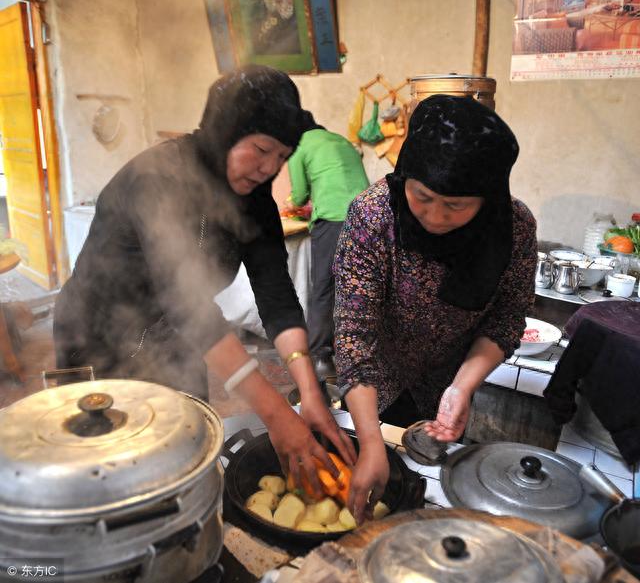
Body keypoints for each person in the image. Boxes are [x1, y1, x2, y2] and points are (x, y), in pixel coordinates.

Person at [54, 65, 356, 489]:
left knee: (184, 457)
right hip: (95, 338)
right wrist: (274, 413)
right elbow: (186, 303)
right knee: (103, 471)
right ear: (224, 133)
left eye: (282, 158)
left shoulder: (253, 201)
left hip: (173, 342)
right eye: (261, 149)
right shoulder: (157, 178)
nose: (269, 168)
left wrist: (308, 392)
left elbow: (277, 298)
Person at [333, 95, 537, 523]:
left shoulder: (512, 227)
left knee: (426, 493)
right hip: (373, 382)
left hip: (449, 379)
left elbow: (506, 317)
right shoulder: (374, 217)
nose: (435, 216)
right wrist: (370, 440)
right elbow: (354, 335)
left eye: (456, 205)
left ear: (488, 199)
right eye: (422, 196)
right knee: (368, 476)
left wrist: (461, 388)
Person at [287, 118, 369, 377]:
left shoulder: (299, 146)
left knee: (323, 287)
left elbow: (299, 195)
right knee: (358, 285)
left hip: (333, 219)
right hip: (367, 217)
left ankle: (321, 357)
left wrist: (293, 203)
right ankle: (359, 354)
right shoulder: (342, 141)